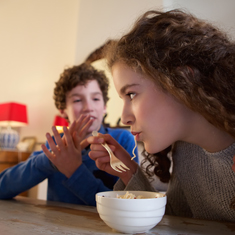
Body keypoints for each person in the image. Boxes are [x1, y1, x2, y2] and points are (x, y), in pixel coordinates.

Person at [87, 9, 235, 221]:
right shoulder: (186, 150)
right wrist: (129, 172)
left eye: (132, 94)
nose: (125, 118)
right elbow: (175, 223)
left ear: (183, 79)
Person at [0, 63, 139, 206]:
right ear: (63, 110)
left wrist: (75, 170)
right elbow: (2, 187)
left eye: (96, 99)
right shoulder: (55, 145)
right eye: (77, 100)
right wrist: (51, 160)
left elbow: (126, 204)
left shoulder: (122, 140)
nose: (88, 108)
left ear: (104, 106)